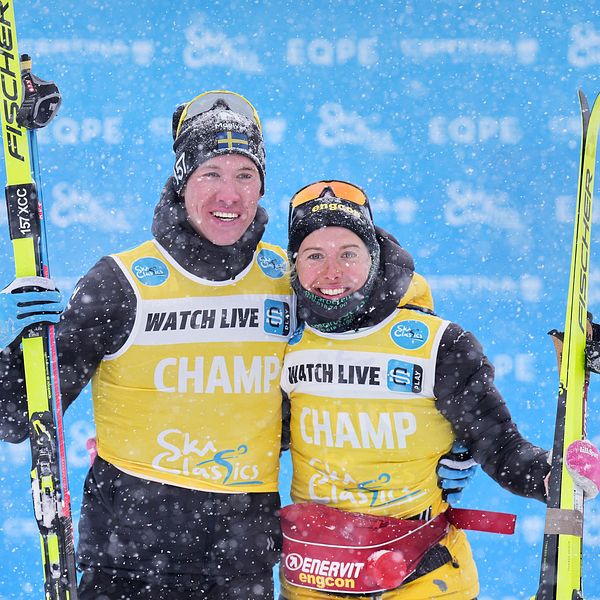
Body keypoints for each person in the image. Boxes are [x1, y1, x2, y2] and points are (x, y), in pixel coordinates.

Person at [0, 91, 296, 600]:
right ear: (183, 180)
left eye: (245, 176)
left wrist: (444, 439)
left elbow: (362, 346)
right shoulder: (122, 283)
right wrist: (18, 342)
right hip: (128, 570)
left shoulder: (289, 280)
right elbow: (12, 412)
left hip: (240, 570)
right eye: (211, 174)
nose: (229, 195)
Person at [278, 180, 600, 600]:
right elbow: (254, 436)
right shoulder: (284, 341)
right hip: (313, 579)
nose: (332, 272)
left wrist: (553, 475)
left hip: (425, 579)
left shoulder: (438, 344)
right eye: (314, 255)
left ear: (374, 256)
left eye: (349, 254)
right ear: (294, 265)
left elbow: (500, 448)